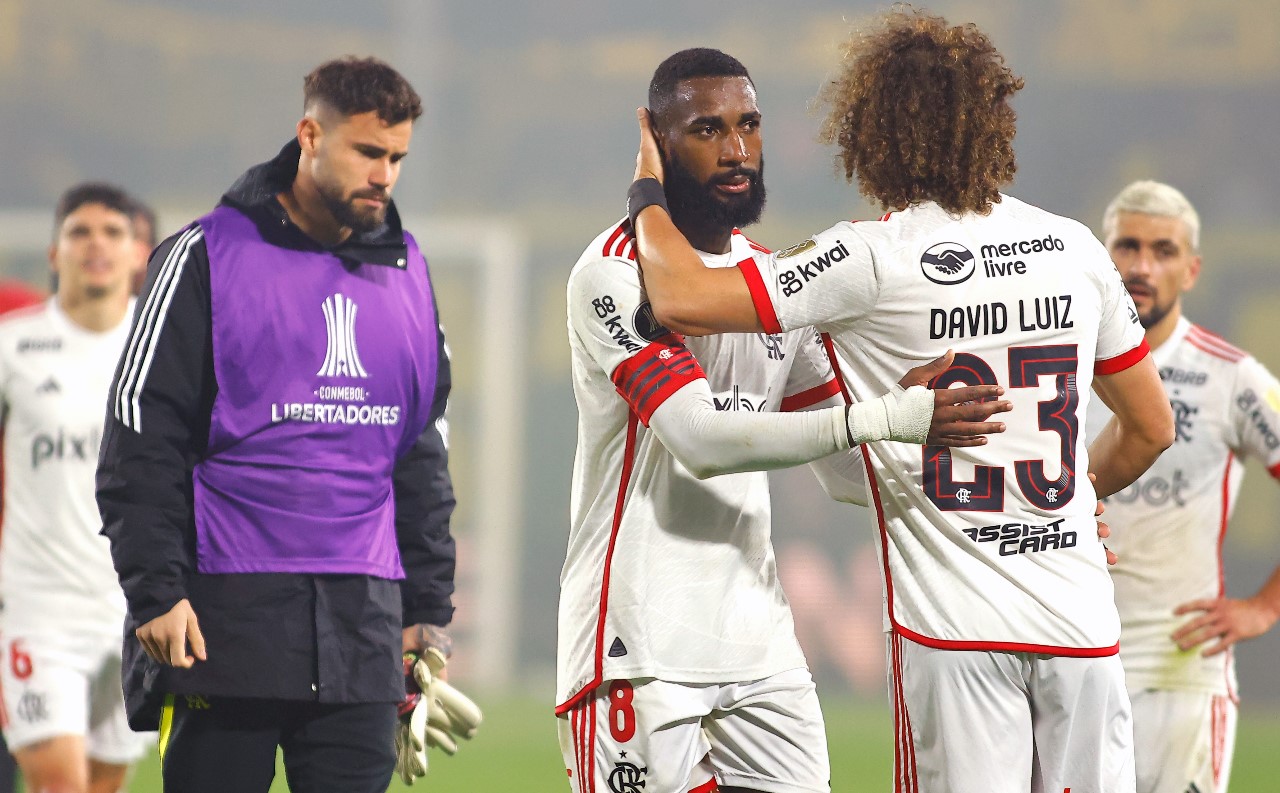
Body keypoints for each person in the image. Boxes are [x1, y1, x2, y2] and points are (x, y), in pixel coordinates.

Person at [625, 9, 1177, 792]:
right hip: (1080, 627)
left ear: (871, 130)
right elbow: (1151, 425)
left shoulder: (869, 257)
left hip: (956, 638)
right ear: (993, 119)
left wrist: (648, 183)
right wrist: (1068, 495)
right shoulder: (1074, 248)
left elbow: (679, 296)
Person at [559, 48, 1012, 793]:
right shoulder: (610, 275)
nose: (736, 150)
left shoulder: (771, 285)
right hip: (636, 644)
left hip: (758, 643)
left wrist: (999, 500)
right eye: (707, 129)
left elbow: (846, 466)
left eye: (749, 125)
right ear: (656, 142)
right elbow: (701, 439)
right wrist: (883, 416)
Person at [96, 56, 471, 792]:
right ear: (309, 135)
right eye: (368, 151)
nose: (384, 175)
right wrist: (155, 591)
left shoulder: (410, 274)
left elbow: (420, 455)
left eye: (396, 157)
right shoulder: (204, 255)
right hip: (218, 630)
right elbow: (140, 439)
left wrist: (427, 609)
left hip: (362, 634)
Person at [1087, 180, 1280, 793]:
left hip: (1180, 671)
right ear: (1101, 253)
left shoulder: (1230, 378)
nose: (1142, 266)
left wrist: (1265, 606)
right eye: (1128, 246)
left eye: (1164, 251)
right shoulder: (1060, 364)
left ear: (1191, 270)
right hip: (1073, 655)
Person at [0, 184, 148, 793]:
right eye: (79, 232)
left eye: (112, 232)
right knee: (59, 783)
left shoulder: (163, 346)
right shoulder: (13, 345)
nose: (96, 245)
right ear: (54, 253)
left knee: (102, 786)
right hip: (38, 609)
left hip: (136, 610)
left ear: (140, 252)